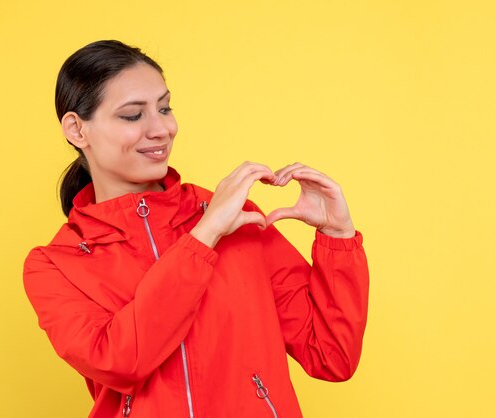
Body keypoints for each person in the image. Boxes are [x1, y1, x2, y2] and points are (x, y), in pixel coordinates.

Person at [23, 40, 369, 418]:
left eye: (165, 108)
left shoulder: (237, 218)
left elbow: (331, 356)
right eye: (132, 116)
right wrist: (204, 236)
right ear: (77, 130)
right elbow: (120, 360)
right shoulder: (55, 264)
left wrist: (338, 237)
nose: (162, 129)